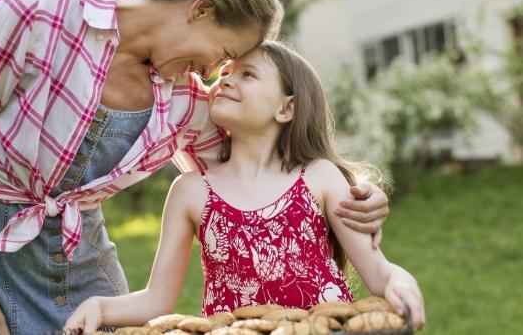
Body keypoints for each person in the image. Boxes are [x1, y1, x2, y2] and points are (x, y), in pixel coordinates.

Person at [0, 0, 389, 334]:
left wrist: (355, 198)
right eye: (225, 53)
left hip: (88, 272)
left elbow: (258, 185)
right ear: (201, 9)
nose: (213, 72)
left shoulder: (189, 104)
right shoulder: (34, 14)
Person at [64, 41, 425, 334]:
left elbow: (379, 272)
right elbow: (157, 300)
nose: (225, 80)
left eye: (247, 74)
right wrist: (100, 305)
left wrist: (402, 282)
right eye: (225, 73)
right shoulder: (190, 191)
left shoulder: (320, 177)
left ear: (287, 108)